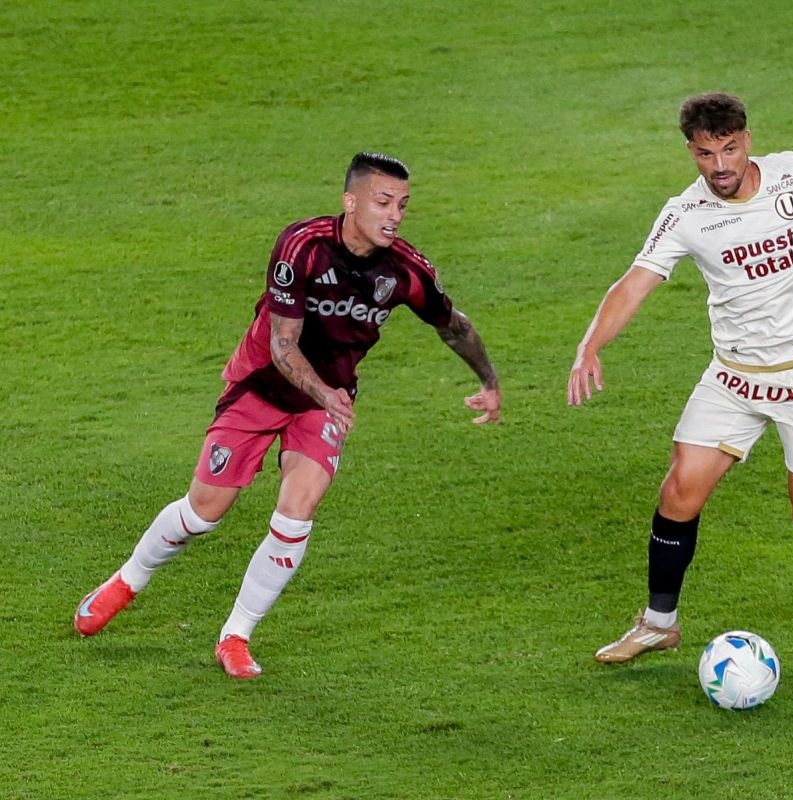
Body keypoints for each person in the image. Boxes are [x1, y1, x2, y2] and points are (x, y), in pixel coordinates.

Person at [75, 152, 502, 679]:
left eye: (404, 205)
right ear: (351, 201)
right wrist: (325, 394)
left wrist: (487, 380)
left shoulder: (405, 271)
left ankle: (236, 636)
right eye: (383, 201)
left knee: (298, 510)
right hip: (261, 386)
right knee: (204, 511)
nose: (395, 215)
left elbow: (453, 324)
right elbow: (283, 344)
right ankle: (126, 581)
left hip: (327, 400)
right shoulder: (303, 247)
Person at [567, 92, 793, 664]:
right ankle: (660, 622)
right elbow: (634, 282)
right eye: (705, 153)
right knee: (679, 491)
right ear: (690, 151)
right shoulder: (685, 215)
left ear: (748, 139)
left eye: (730, 149)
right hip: (734, 377)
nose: (719, 166)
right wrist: (590, 344)